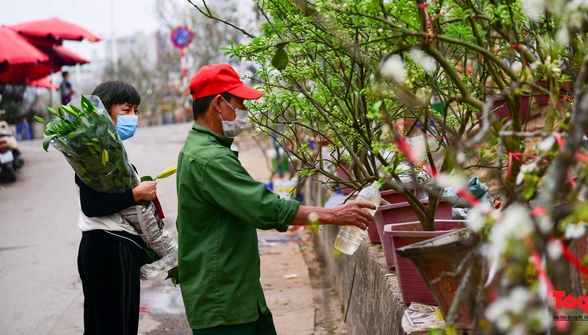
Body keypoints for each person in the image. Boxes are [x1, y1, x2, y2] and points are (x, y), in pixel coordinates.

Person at [176, 64, 375, 334]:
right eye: (240, 102)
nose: (244, 111)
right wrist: (335, 215)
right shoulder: (210, 158)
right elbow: (264, 207)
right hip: (223, 303)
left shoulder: (207, 150)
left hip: (240, 294)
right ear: (218, 104)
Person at [75, 80, 158, 335]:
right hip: (108, 250)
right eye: (126, 110)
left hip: (107, 249)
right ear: (103, 111)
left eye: (136, 111)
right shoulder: (93, 151)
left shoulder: (109, 149)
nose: (133, 117)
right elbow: (91, 205)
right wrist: (136, 193)